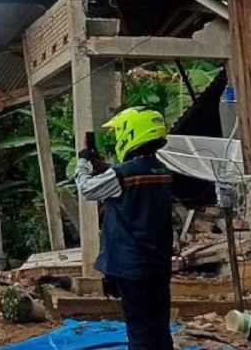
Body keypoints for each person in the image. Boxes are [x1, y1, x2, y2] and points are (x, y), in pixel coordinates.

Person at [75, 107, 174, 350]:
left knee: (139, 330)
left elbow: (87, 189)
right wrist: (105, 168)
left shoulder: (124, 174)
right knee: (159, 327)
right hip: (157, 263)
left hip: (131, 265)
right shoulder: (162, 171)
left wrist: (83, 163)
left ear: (132, 134)